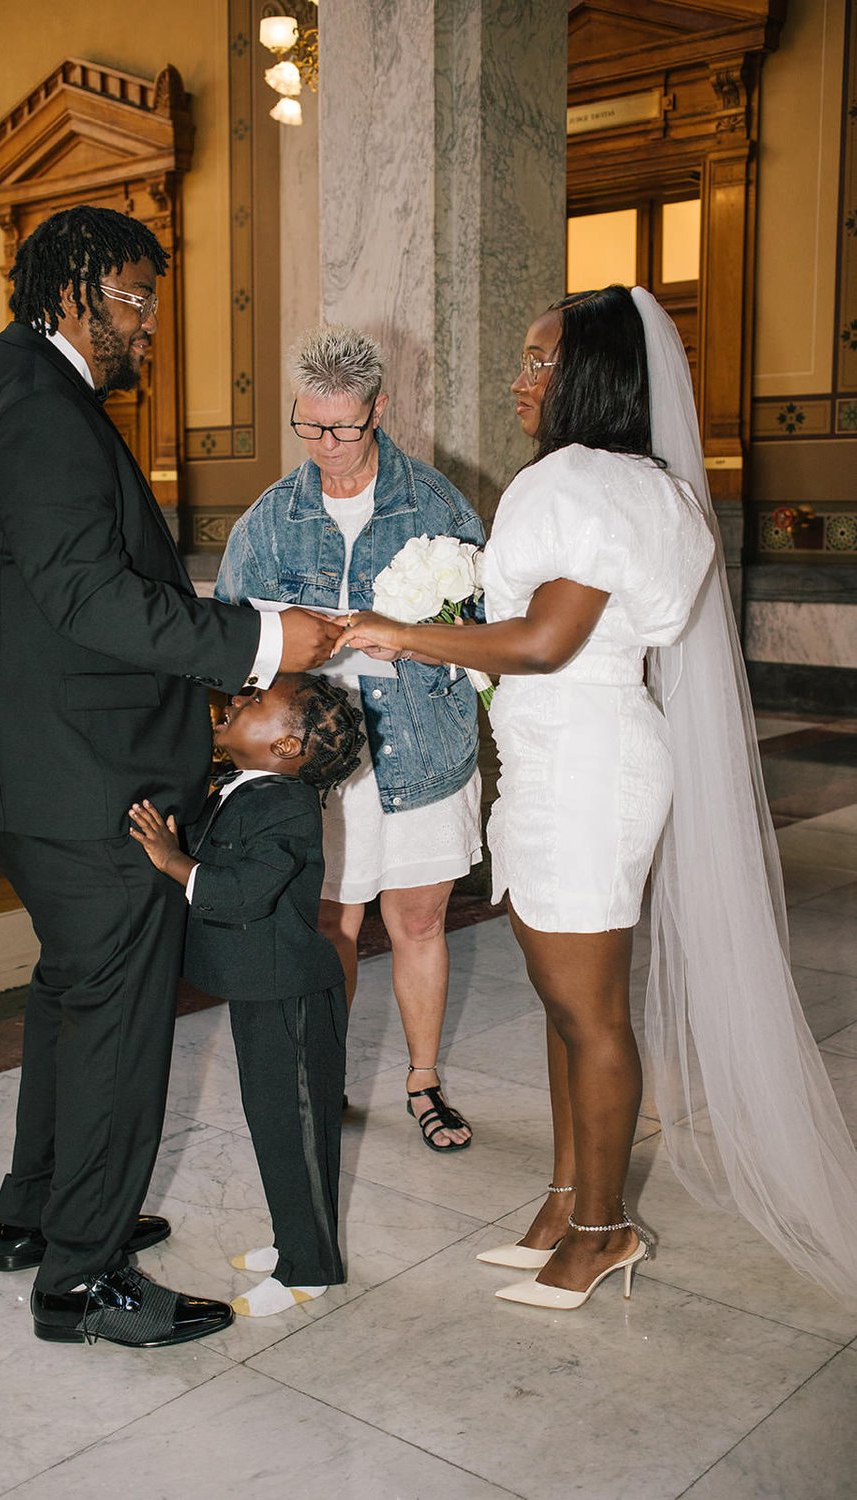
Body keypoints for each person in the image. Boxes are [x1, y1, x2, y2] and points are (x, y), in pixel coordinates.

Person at [339, 284, 857, 1310]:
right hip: (573, 757)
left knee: (591, 1013)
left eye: (541, 362)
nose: (522, 380)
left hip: (581, 766)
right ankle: (567, 1194)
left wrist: (397, 632)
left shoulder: (575, 481)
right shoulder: (649, 485)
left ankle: (603, 1227)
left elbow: (542, 642)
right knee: (563, 999)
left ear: (595, 377)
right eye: (525, 360)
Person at [0, 204, 342, 1348]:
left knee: (73, 990)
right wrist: (261, 643)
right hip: (71, 772)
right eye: (136, 300)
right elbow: (87, 597)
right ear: (75, 289)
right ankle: (84, 1276)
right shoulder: (42, 408)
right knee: (117, 1011)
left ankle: (39, 1215)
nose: (149, 328)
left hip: (26, 762)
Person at [216, 326, 486, 1151]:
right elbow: (232, 638)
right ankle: (324, 1077)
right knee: (332, 921)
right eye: (309, 426)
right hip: (322, 761)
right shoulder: (271, 519)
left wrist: (403, 633)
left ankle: (424, 1080)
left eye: (343, 428)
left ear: (379, 411)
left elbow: (483, 626)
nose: (325, 446)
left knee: (419, 920)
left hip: (423, 742)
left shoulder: (435, 504)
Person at [129, 672, 365, 1317]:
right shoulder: (245, 788)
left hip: (290, 993)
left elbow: (244, 891)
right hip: (262, 987)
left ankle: (309, 1267)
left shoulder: (287, 803)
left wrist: (171, 859)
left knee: (294, 1129)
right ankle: (294, 1235)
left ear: (286, 747)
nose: (237, 700)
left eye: (257, 701)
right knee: (272, 1124)